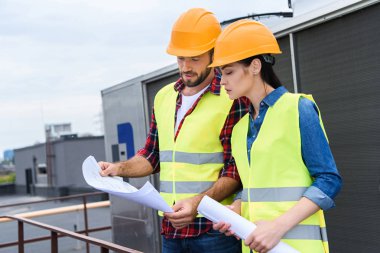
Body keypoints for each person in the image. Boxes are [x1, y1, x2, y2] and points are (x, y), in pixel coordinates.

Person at [98, 8, 249, 253]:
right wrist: (119, 169)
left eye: (195, 58)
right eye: (180, 58)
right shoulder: (164, 97)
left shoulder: (232, 97)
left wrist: (197, 204)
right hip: (172, 228)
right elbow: (151, 155)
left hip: (215, 230)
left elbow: (236, 171)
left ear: (214, 54)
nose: (185, 66)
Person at [210, 20, 342, 253]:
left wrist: (277, 227)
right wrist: (237, 209)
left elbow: (328, 180)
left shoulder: (298, 108)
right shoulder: (240, 129)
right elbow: (255, 187)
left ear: (254, 66)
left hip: (296, 247)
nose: (223, 82)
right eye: (221, 74)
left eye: (229, 72)